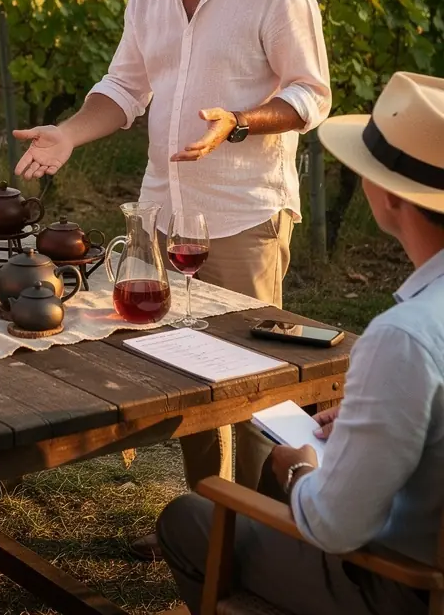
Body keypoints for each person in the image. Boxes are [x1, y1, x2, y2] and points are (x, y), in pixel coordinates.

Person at [14, 0, 331, 556]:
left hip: (245, 213)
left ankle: (257, 546)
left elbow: (312, 94)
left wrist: (241, 122)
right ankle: (212, 528)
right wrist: (68, 134)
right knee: (189, 380)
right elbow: (124, 89)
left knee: (250, 386)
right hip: (165, 217)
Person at [158, 71, 444, 615]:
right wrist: (366, 426)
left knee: (188, 518)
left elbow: (335, 526)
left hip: (398, 587)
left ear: (385, 195)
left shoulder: (403, 339)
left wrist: (297, 468)